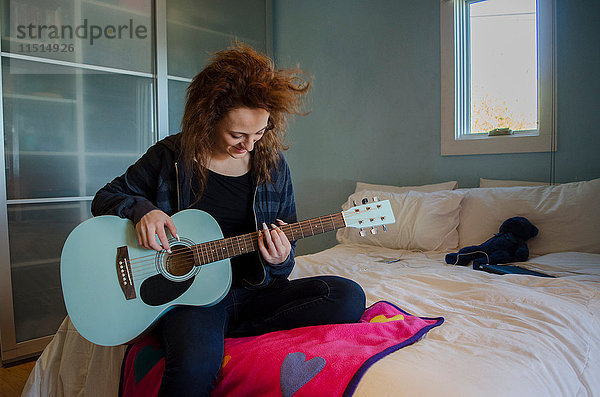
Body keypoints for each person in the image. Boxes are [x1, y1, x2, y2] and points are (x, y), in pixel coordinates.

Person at [91, 43, 366, 396]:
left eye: (259, 133)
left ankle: (222, 329)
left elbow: (285, 255)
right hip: (192, 296)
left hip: (254, 292)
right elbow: (106, 197)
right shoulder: (170, 157)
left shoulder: (273, 167)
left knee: (346, 296)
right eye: (237, 135)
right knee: (193, 368)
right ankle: (203, 330)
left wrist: (281, 258)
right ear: (209, 117)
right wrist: (142, 210)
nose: (249, 145)